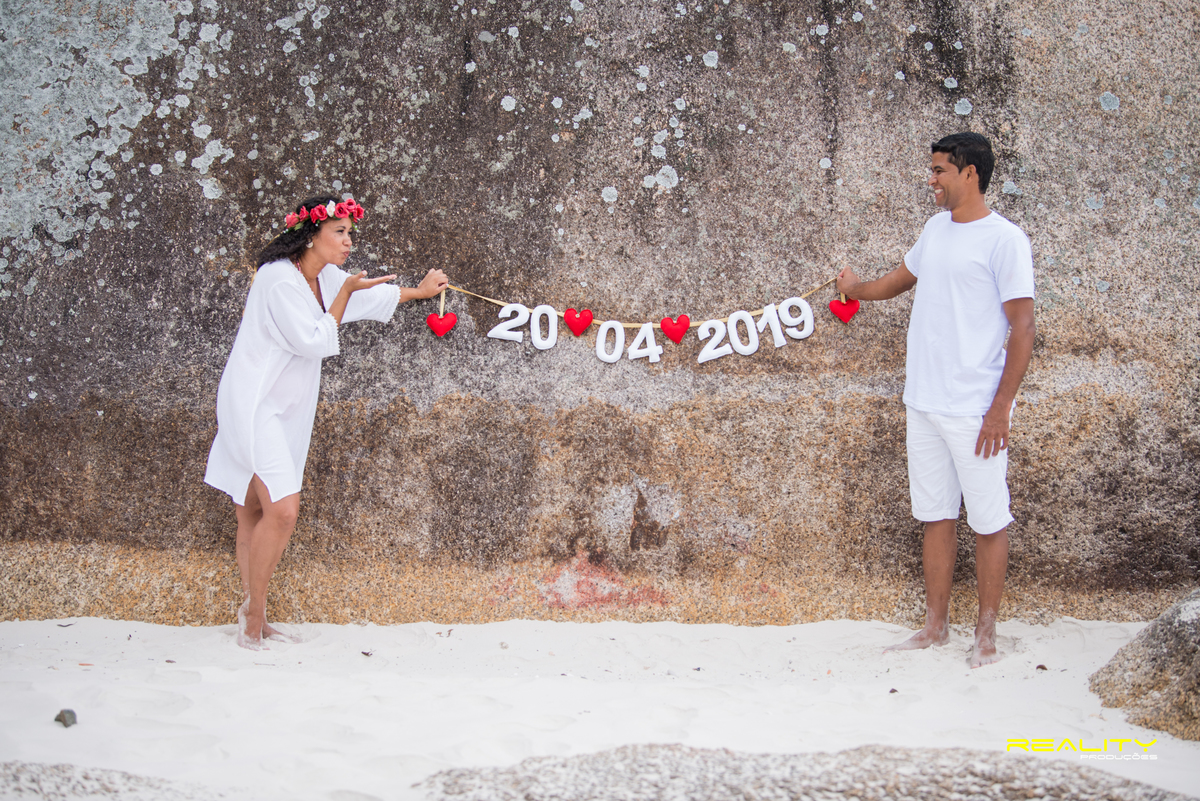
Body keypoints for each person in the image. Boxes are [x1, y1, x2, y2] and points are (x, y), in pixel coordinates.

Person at [204, 194, 448, 649]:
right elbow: (316, 340)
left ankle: (254, 614)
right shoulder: (278, 279)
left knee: (253, 510)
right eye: (339, 232)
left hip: (286, 407)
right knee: (282, 511)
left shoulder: (324, 276)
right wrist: (345, 294)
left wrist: (420, 292)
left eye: (350, 232)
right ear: (310, 235)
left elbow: (368, 296)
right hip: (254, 403)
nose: (348, 241)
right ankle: (253, 617)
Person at [836, 132, 1035, 668]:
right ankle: (935, 627)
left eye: (940, 170)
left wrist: (1000, 409)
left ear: (970, 173)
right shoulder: (934, 229)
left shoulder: (1005, 240)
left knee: (989, 519)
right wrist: (855, 289)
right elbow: (899, 281)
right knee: (936, 515)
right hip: (923, 401)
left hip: (975, 409)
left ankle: (986, 635)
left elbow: (1022, 328)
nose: (932, 180)